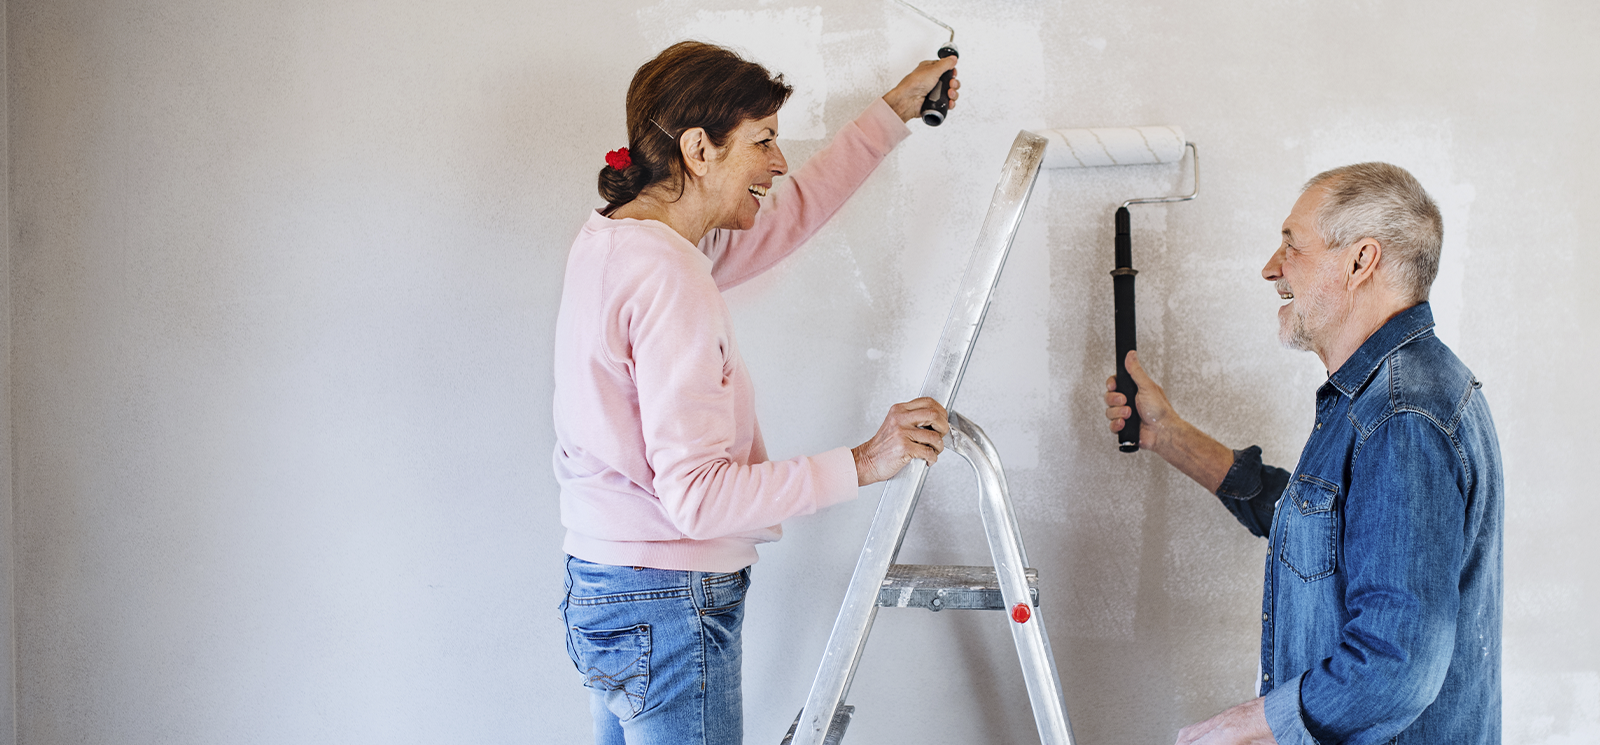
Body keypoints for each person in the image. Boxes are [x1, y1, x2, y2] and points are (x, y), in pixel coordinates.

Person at [553, 41, 959, 744]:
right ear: (698, 150)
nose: (779, 162)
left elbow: (788, 214)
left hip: (608, 587)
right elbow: (700, 497)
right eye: (763, 141)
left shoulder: (619, 241)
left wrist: (897, 108)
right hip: (669, 601)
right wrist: (866, 460)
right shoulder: (671, 279)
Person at [1104, 163, 1503, 745]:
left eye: (1291, 245)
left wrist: (1247, 726)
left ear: (1360, 261)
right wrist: (1168, 435)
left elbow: (1397, 666)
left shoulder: (1401, 414)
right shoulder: (1381, 398)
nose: (1271, 268)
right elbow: (1317, 527)